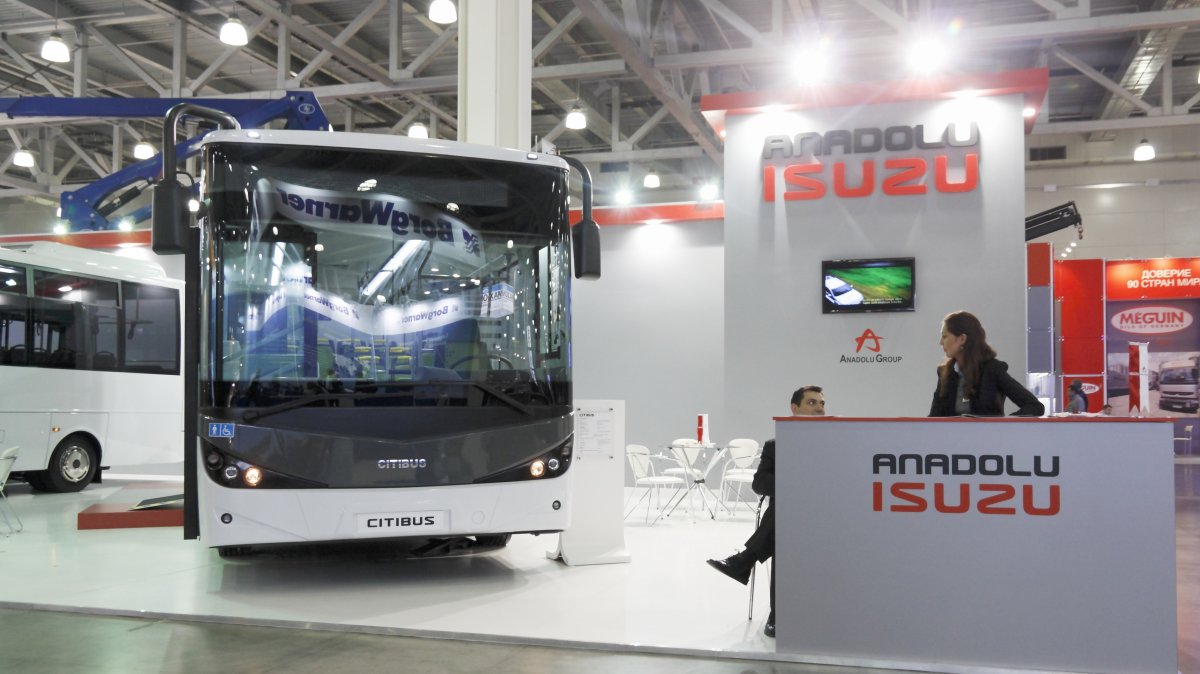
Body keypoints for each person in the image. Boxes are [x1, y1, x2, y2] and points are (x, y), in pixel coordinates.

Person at [705, 385, 825, 639]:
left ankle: (744, 561)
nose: (819, 408)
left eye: (821, 404)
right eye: (812, 403)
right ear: (795, 409)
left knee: (784, 515)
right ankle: (777, 614)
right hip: (790, 515)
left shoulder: (834, 442)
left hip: (824, 511)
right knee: (786, 520)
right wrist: (796, 486)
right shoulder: (774, 445)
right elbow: (759, 484)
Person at [929, 311, 1045, 417]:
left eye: (944, 336)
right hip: (952, 439)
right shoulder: (945, 372)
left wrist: (1003, 424)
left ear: (962, 339)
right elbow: (934, 418)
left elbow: (1034, 406)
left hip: (988, 438)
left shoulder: (993, 369)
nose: (940, 342)